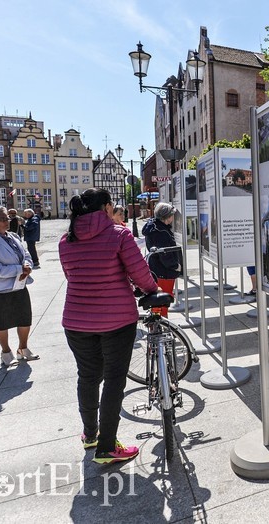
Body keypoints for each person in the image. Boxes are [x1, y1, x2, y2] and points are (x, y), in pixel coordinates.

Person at [59, 188, 160, 465]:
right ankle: (106, 447)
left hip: (76, 321)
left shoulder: (65, 240)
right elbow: (139, 273)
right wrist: (152, 290)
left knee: (88, 377)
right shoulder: (119, 235)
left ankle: (90, 435)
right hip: (116, 319)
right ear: (106, 208)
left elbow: (71, 276)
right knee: (115, 379)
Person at [0, 207, 39, 366]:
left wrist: (27, 264)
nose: (8, 221)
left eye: (8, 218)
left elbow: (26, 254)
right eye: (3, 219)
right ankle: (6, 352)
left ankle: (23, 348)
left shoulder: (13, 236)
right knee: (1, 322)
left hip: (19, 285)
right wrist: (20, 269)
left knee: (25, 319)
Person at [142, 203, 182, 318]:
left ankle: (158, 325)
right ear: (167, 216)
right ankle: (161, 325)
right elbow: (165, 254)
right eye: (172, 215)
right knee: (163, 300)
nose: (173, 217)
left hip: (156, 269)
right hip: (164, 272)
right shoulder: (161, 232)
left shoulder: (155, 227)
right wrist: (175, 266)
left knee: (157, 300)